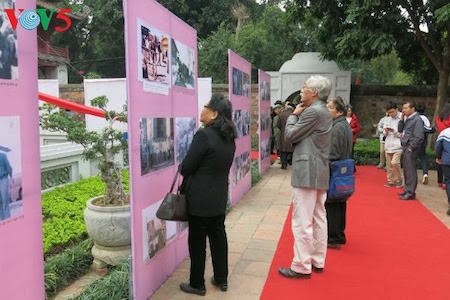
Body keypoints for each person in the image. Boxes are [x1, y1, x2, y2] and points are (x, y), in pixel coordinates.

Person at [179, 94, 237, 295]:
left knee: (197, 243)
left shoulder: (203, 136)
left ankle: (197, 284)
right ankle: (221, 279)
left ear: (214, 113)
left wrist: (182, 166)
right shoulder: (229, 137)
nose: (201, 110)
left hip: (199, 199)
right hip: (218, 197)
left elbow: (187, 167)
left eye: (205, 107)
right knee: (219, 238)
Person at [278, 75, 332, 279]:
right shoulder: (323, 111)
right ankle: (317, 259)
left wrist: (293, 115)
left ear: (315, 92)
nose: (301, 90)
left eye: (305, 87)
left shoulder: (313, 112)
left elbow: (290, 135)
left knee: (302, 220)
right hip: (319, 169)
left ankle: (301, 265)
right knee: (319, 216)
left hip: (308, 170)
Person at [325, 97, 352, 249]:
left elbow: (333, 153)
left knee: (333, 204)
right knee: (339, 203)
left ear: (339, 111)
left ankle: (333, 237)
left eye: (330, 107)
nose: (327, 110)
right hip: (342, 169)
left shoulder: (337, 127)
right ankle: (338, 235)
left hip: (335, 169)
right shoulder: (342, 124)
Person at [398, 101, 424, 200]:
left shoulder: (417, 119)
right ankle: (407, 189)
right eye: (403, 108)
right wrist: (401, 120)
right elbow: (400, 130)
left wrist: (411, 147)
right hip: (405, 146)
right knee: (406, 169)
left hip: (410, 147)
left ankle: (410, 191)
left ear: (412, 108)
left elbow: (419, 136)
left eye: (406, 108)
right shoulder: (408, 119)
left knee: (410, 170)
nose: (403, 110)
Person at [383, 102, 403, 188]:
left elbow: (403, 134)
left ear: (396, 110)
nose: (390, 114)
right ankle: (391, 180)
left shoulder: (402, 118)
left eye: (392, 112)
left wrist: (394, 131)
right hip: (388, 144)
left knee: (395, 162)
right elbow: (384, 133)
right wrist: (386, 131)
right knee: (389, 164)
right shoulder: (387, 119)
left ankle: (399, 179)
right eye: (389, 112)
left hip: (398, 145)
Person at [416, 104, 434, 185]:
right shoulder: (425, 118)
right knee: (423, 158)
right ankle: (425, 174)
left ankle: (412, 176)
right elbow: (429, 129)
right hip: (423, 141)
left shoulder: (414, 118)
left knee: (411, 158)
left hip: (413, 141)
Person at [434, 126, 450, 216]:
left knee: (448, 181)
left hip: (447, 161)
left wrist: (438, 157)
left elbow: (438, 147)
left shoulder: (445, 132)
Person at [435, 102, 450, 189]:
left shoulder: (439, 117)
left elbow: (437, 126)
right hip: (448, 139)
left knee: (439, 160)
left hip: (440, 138)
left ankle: (440, 181)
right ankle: (445, 182)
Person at [277, 102, 295, 169]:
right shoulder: (294, 114)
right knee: (291, 148)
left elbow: (278, 125)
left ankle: (284, 164)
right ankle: (291, 162)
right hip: (292, 133)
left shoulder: (281, 114)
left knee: (283, 149)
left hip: (283, 134)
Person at [0, 151, 12, 221]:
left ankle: (7, 220)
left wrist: (11, 176)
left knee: (4, 199)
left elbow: (8, 166)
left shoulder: (3, 156)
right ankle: (2, 221)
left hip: (3, 178)